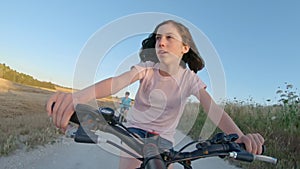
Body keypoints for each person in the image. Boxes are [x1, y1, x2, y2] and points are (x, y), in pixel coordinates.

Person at [46, 20, 264, 169]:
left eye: (170, 37)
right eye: (159, 37)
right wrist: (77, 98)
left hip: (164, 140)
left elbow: (212, 108)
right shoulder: (147, 68)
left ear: (185, 48)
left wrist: (238, 137)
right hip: (133, 133)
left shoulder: (190, 79)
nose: (161, 42)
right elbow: (117, 83)